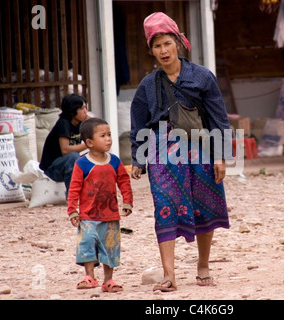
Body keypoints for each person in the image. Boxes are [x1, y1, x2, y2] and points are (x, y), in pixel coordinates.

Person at [130, 12, 231, 292]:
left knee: (205, 203)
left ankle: (203, 264)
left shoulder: (201, 77)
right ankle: (169, 274)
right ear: (151, 50)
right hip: (162, 152)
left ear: (179, 43)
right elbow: (138, 122)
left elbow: (218, 119)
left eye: (167, 43)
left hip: (200, 148)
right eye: (157, 46)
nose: (163, 50)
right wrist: (138, 158)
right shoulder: (148, 85)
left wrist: (221, 156)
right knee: (164, 206)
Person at [68, 117, 133, 293]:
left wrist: (127, 201)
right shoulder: (81, 163)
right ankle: (89, 276)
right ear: (89, 142)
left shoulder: (115, 161)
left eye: (109, 135)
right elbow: (74, 188)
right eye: (103, 135)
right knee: (87, 243)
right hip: (88, 215)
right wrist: (73, 211)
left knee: (110, 246)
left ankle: (108, 280)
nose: (108, 139)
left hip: (110, 215)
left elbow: (124, 182)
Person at [39, 94, 89, 196]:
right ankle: (73, 196)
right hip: (53, 169)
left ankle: (90, 194)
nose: (85, 111)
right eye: (82, 108)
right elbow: (65, 150)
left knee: (92, 157)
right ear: (72, 110)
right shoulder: (63, 123)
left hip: (66, 165)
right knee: (74, 157)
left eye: (85, 107)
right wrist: (88, 145)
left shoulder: (79, 124)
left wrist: (91, 123)